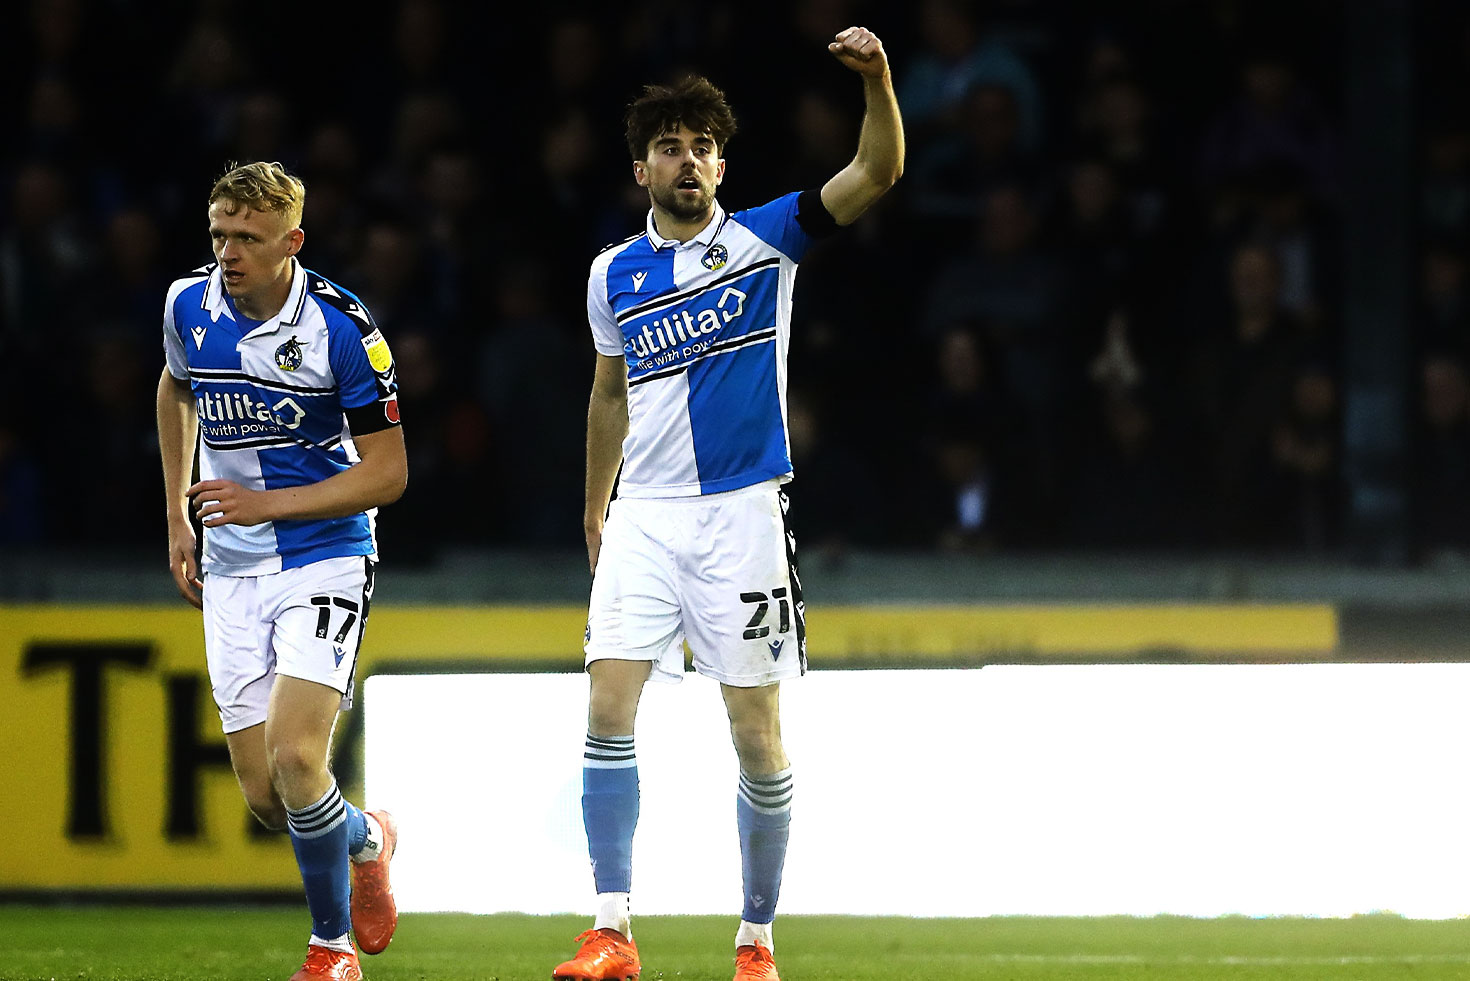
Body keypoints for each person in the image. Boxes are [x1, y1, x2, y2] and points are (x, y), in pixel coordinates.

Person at [557, 26, 903, 981]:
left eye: (704, 145)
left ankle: (756, 940)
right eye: (671, 145)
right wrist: (597, 507)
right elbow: (609, 393)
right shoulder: (612, 273)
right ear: (641, 168)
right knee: (607, 702)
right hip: (644, 516)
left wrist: (876, 82)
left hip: (745, 514)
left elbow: (876, 172)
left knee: (755, 730)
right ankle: (611, 929)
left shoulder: (764, 239)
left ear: (721, 162)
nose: (690, 159)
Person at [155, 162, 407, 981]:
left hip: (324, 553)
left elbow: (389, 472)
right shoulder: (186, 305)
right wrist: (175, 514)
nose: (228, 253)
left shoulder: (343, 328)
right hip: (231, 567)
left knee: (299, 759)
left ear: (291, 242)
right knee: (269, 798)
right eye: (219, 234)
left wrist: (270, 506)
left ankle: (331, 950)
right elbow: (174, 389)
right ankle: (367, 837)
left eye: (248, 239)